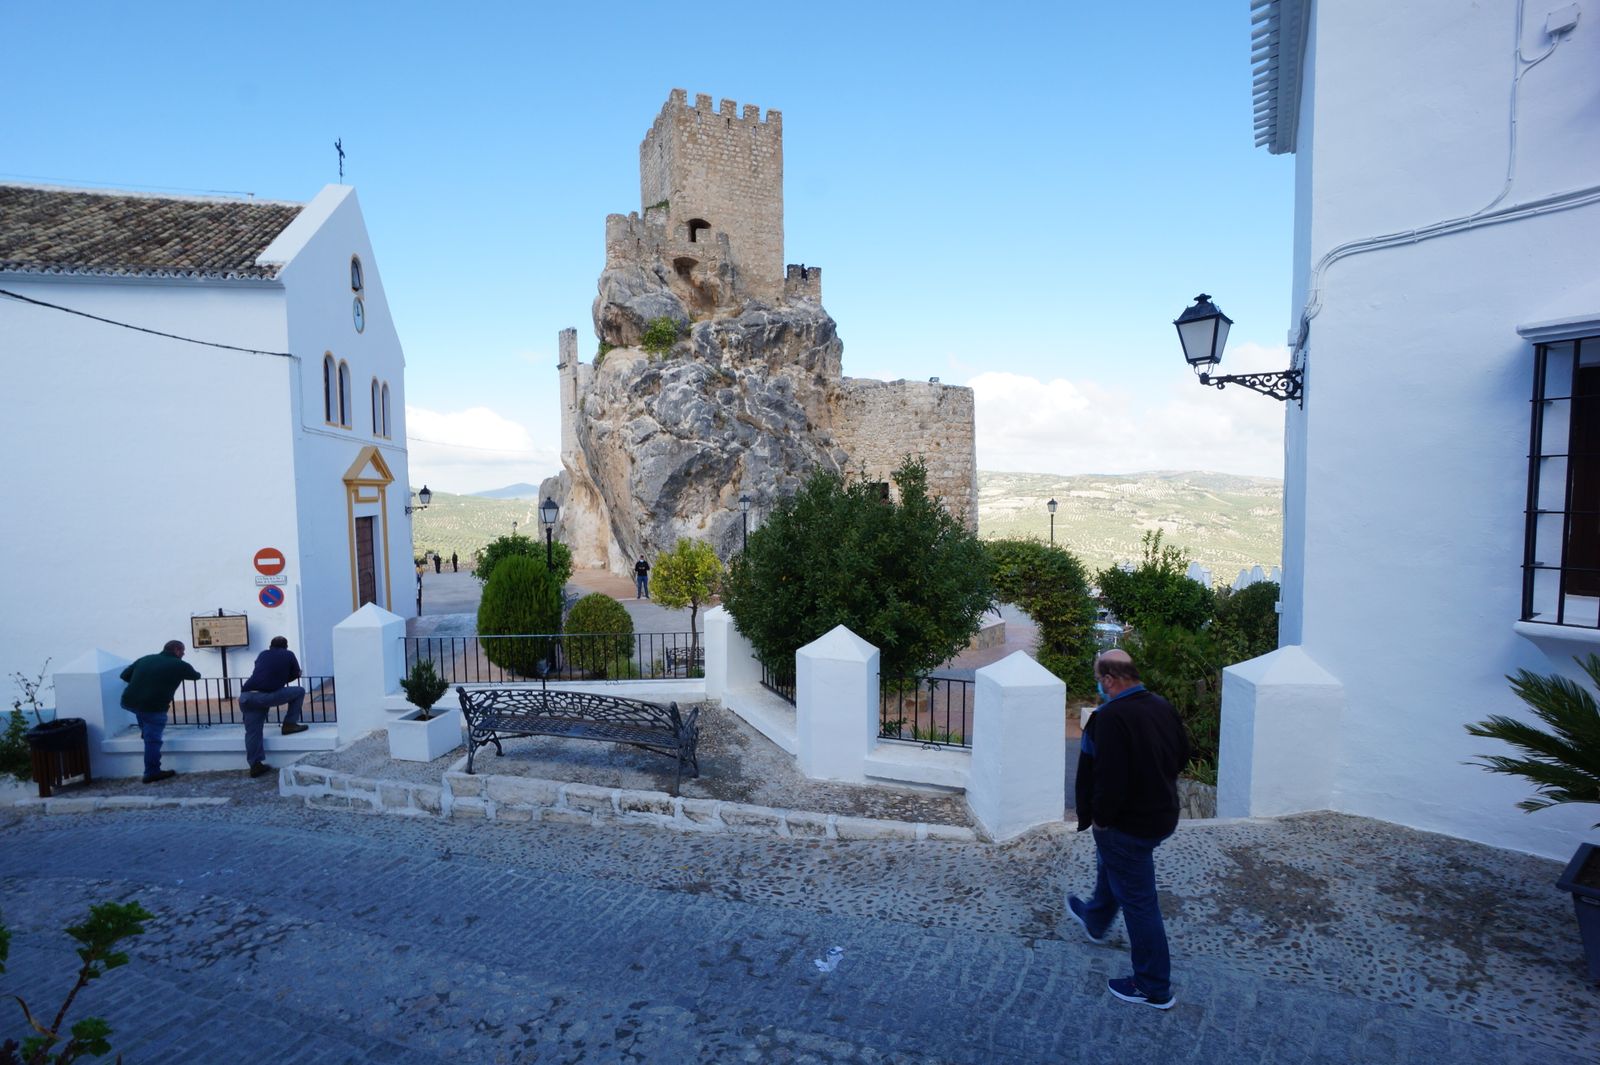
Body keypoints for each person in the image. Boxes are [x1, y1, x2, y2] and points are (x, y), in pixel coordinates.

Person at [1067, 649, 1190, 1009]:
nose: (1098, 687)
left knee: (1139, 901)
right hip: (1161, 815)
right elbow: (1181, 755)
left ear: (1108, 679)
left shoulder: (1109, 718)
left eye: (1098, 680)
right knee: (1114, 865)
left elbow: (1107, 779)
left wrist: (1101, 818)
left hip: (1127, 825)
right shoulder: (1161, 706)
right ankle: (1095, 919)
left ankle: (1153, 985)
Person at [119, 640, 202, 784]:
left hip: (129, 701)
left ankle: (145, 733)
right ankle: (152, 772)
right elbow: (196, 676)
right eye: (182, 650)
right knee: (153, 740)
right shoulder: (179, 665)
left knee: (142, 717)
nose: (183, 653)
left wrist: (145, 681)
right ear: (176, 650)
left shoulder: (145, 658)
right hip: (154, 706)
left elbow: (125, 675)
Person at [238, 636, 307, 778]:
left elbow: (262, 672)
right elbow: (295, 673)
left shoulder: (263, 654)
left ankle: (255, 765)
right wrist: (293, 676)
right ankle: (289, 724)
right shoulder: (288, 654)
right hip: (266, 695)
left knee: (253, 732)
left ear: (270, 646)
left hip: (246, 696)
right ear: (286, 646)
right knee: (299, 691)